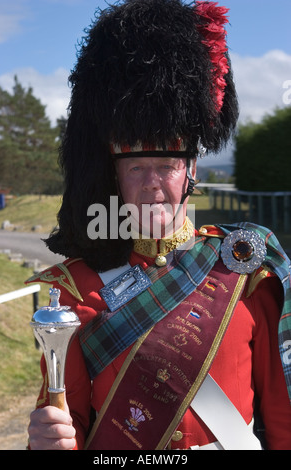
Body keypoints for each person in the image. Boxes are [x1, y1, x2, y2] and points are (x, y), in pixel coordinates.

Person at [27, 0, 291, 450]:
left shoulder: (247, 271)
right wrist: (47, 441)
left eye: (167, 164)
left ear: (191, 171)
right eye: (135, 168)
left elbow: (283, 419)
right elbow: (67, 422)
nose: (152, 185)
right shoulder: (76, 290)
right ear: (113, 176)